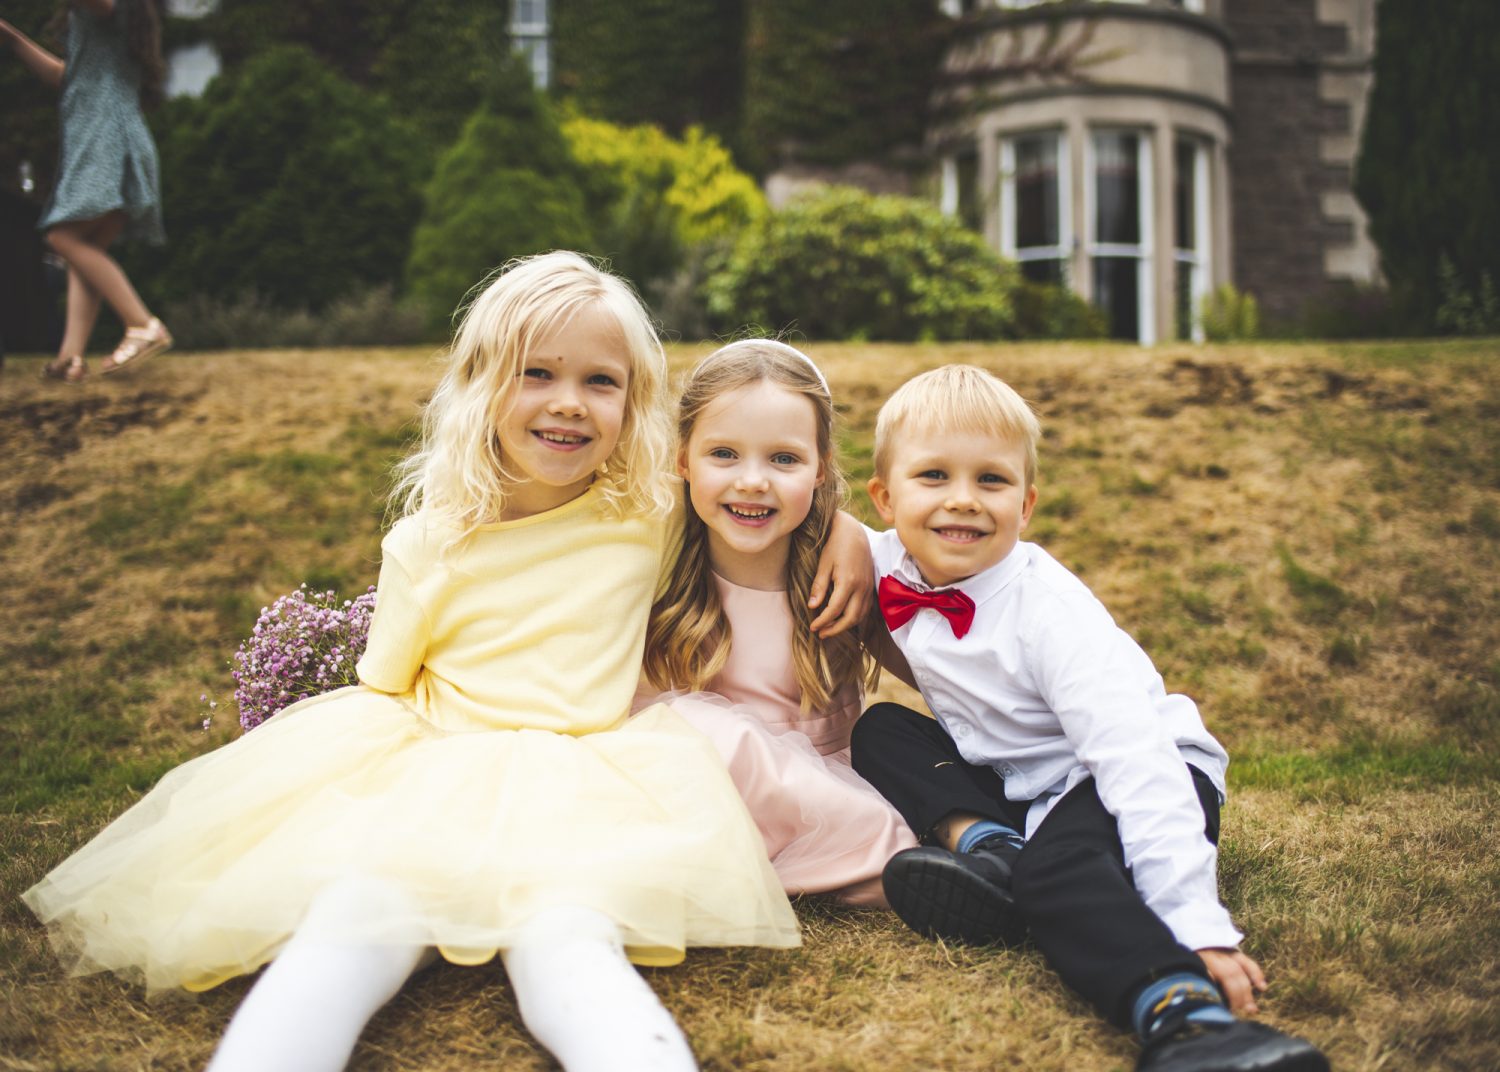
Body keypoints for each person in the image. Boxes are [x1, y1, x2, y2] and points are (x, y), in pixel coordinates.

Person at [22, 253, 873, 1072]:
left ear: (634, 399)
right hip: (433, 771)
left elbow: (755, 484)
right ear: (482, 383)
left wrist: (845, 529)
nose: (567, 404)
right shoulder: (429, 541)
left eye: (599, 381)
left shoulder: (647, 509)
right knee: (351, 928)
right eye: (535, 373)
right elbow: (385, 687)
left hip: (594, 778)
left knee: (567, 941)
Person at [849, 365, 1329, 1072]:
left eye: (991, 480)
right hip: (1018, 781)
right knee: (881, 731)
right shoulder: (887, 562)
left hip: (1132, 769)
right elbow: (823, 530)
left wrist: (1196, 924)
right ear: (886, 499)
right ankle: (991, 849)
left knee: (1063, 867)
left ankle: (1182, 1012)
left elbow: (1137, 762)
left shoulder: (1051, 614)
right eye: (933, 477)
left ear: (1028, 503)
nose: (962, 501)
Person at [640, 339, 918, 906]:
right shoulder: (652, 558)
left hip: (830, 796)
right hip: (701, 788)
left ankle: (910, 864)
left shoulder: (841, 570)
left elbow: (939, 673)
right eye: (723, 454)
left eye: (784, 459)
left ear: (820, 469)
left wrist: (856, 533)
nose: (752, 481)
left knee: (898, 749)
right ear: (682, 459)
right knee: (698, 729)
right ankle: (901, 867)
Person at [1, 0, 172, 383]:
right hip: (112, 137)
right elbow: (69, 78)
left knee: (63, 236)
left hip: (105, 139)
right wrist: (12, 40)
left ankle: (142, 323)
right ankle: (71, 358)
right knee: (85, 250)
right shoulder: (106, 25)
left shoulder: (111, 7)